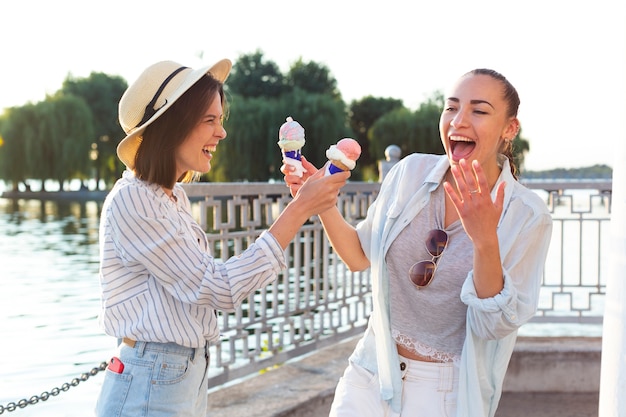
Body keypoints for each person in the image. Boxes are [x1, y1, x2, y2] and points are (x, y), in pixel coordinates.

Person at [284, 69, 553, 417]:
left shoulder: (527, 215)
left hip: (445, 391)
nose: (459, 121)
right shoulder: (409, 173)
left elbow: (493, 325)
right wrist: (320, 201)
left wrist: (486, 240)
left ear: (509, 128)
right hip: (371, 372)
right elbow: (357, 256)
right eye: (451, 108)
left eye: (479, 111)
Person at [95, 58, 350, 417]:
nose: (221, 133)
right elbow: (218, 288)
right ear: (173, 125)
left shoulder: (171, 197)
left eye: (221, 120)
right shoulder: (135, 200)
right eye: (209, 120)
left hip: (177, 374)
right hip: (151, 379)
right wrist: (299, 209)